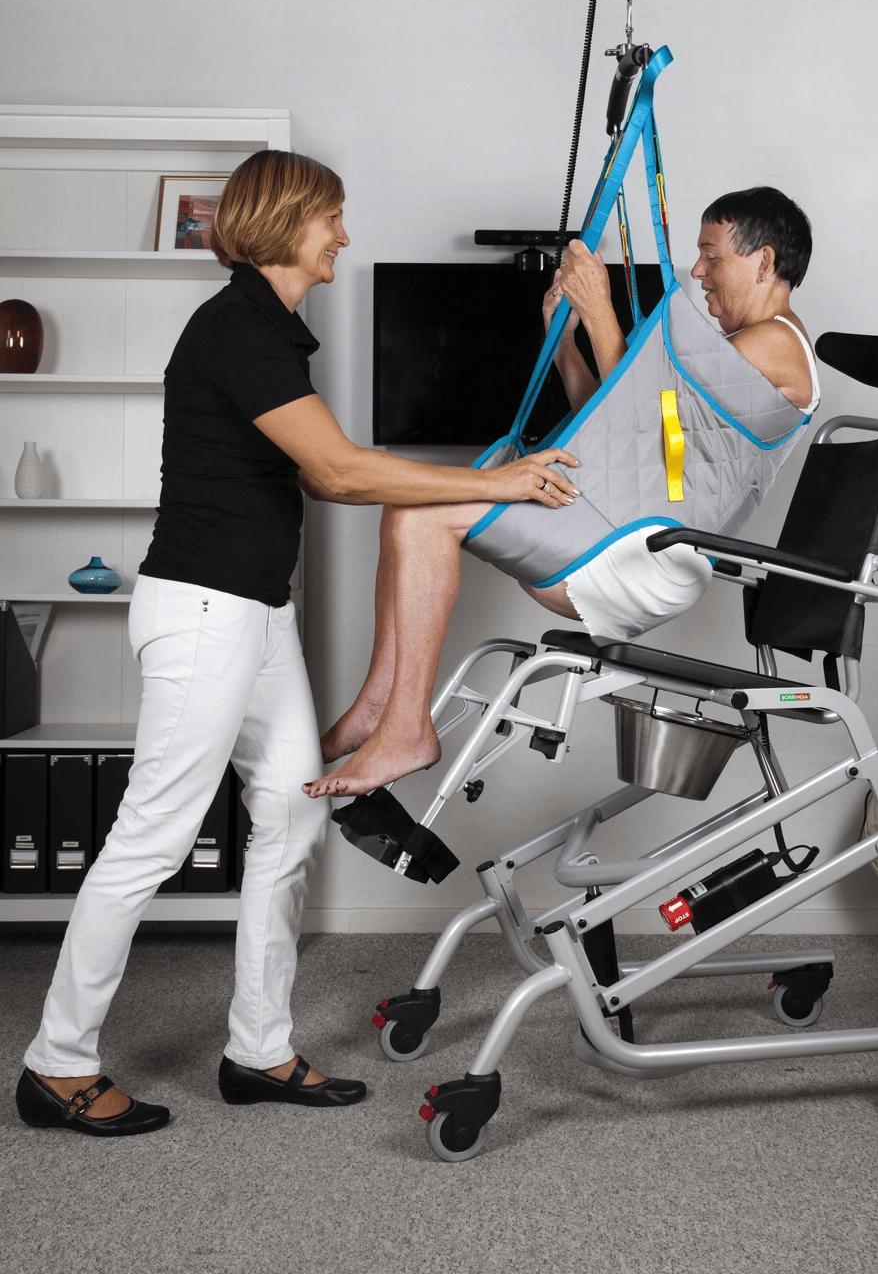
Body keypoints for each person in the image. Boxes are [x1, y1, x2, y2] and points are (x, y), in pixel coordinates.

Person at [16, 150, 578, 1137]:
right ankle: (57, 1064)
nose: (344, 237)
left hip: (254, 615)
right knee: (152, 835)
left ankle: (259, 1048)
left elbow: (323, 477)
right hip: (202, 613)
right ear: (289, 218)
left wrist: (486, 482)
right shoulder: (236, 328)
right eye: (333, 218)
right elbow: (341, 472)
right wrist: (501, 482)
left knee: (291, 815)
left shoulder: (271, 330)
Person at [304, 185, 817, 802]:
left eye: (712, 256)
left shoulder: (776, 341)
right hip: (630, 535)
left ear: (763, 261)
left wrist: (602, 308)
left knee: (419, 522)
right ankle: (379, 709)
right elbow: (617, 436)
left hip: (648, 557)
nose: (698, 272)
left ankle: (408, 728)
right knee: (406, 511)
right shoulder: (748, 347)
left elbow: (651, 427)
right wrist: (568, 341)